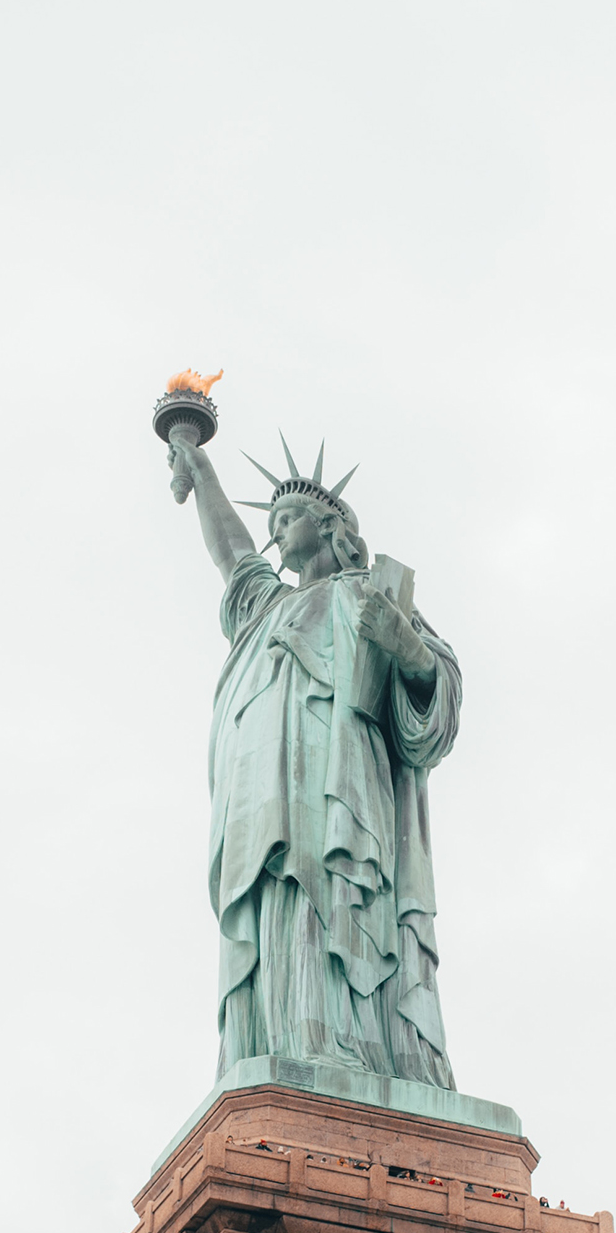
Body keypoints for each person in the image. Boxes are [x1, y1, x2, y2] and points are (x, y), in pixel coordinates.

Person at [169, 429, 462, 1089]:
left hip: (343, 785)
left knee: (330, 892)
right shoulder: (265, 608)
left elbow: (437, 694)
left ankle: (342, 1045)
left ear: (330, 525)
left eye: (289, 516)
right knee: (281, 902)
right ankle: (287, 1041)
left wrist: (407, 648)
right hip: (263, 793)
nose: (275, 530)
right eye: (272, 520)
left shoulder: (366, 594)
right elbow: (233, 554)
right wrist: (200, 467)